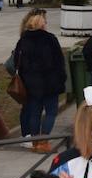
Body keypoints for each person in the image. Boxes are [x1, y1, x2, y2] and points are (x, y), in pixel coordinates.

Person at [12, 10, 65, 138]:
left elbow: (17, 62)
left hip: (31, 83)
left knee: (35, 113)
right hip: (50, 82)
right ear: (42, 25)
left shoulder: (23, 40)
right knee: (51, 112)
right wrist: (61, 79)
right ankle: (44, 138)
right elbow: (59, 60)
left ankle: (35, 139)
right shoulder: (50, 39)